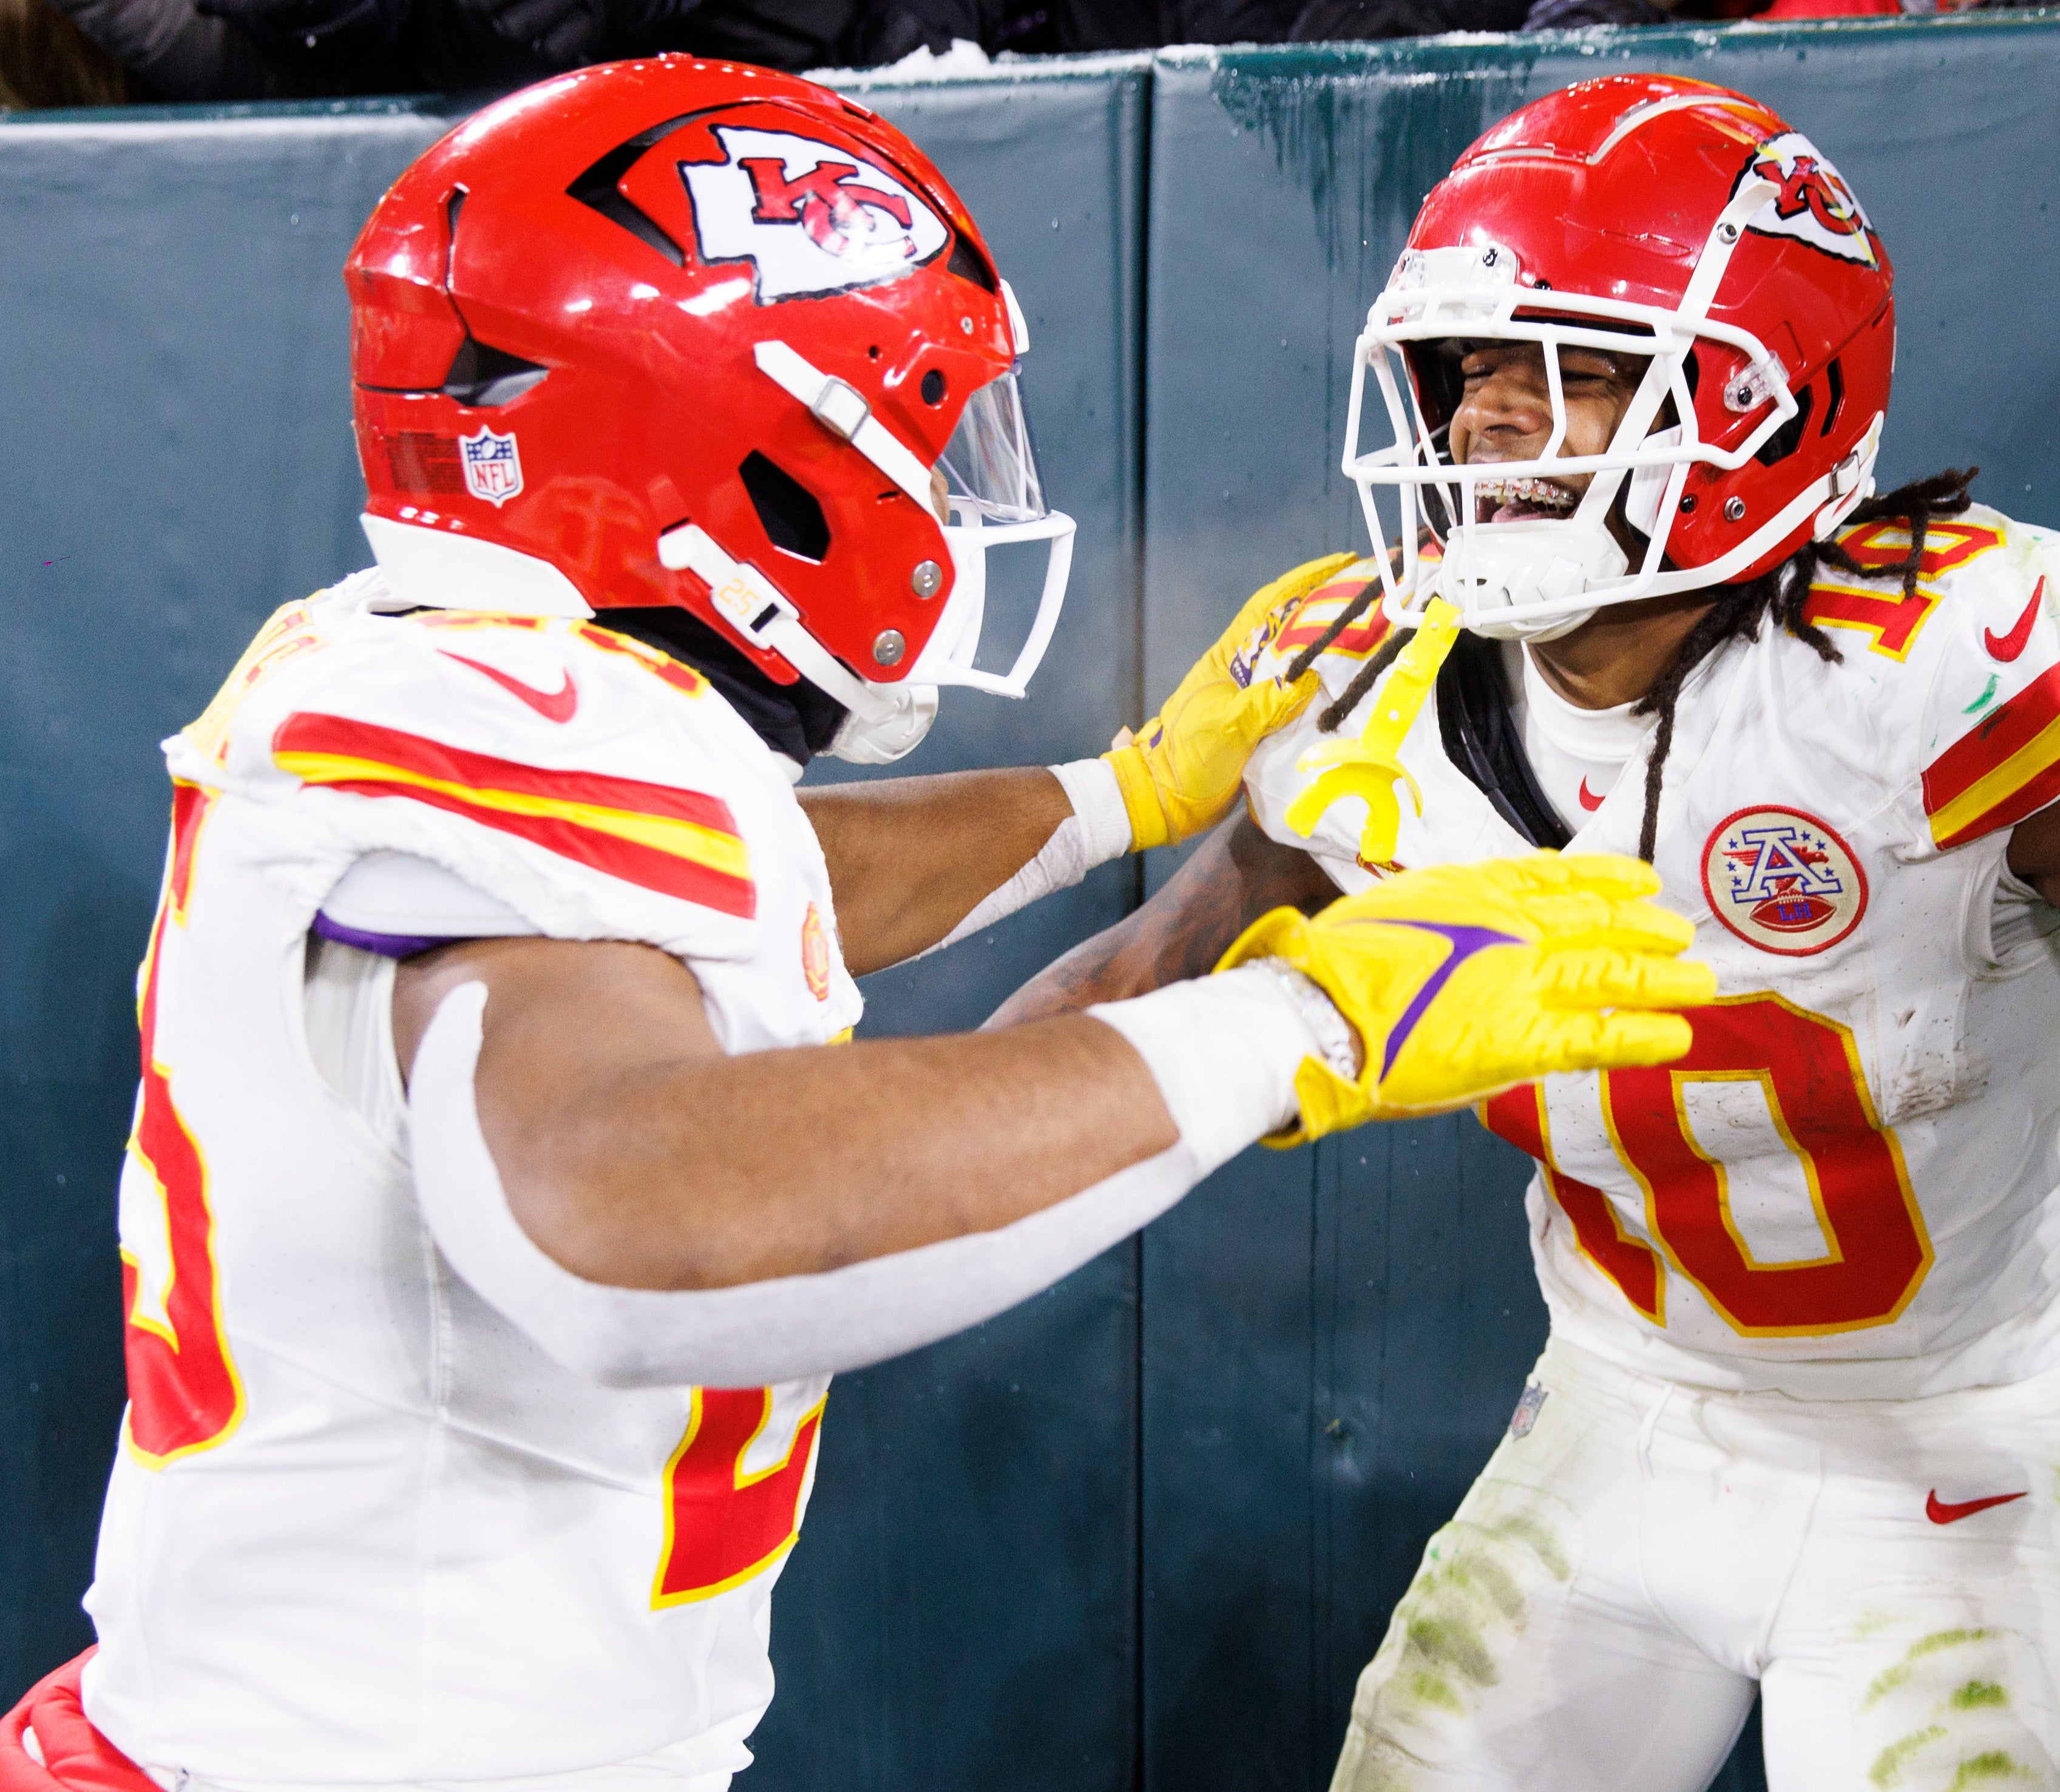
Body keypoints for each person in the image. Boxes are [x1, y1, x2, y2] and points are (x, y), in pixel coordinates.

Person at [0, 56, 1714, 1790]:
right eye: (928, 427)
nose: (963, 494)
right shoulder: (494, 717)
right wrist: (1302, 1026)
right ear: (753, 457)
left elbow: (754, 890)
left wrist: (1127, 793)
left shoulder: (454, 674)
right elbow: (620, 1207)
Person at [991, 74, 2060, 1791]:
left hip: (1940, 1453)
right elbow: (1122, 994)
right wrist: (813, 1212)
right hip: (1617, 1413)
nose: (1479, 429)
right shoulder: (1362, 687)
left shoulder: (1925, 671)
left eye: (1561, 366)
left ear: (1762, 397)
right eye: (1463, 372)